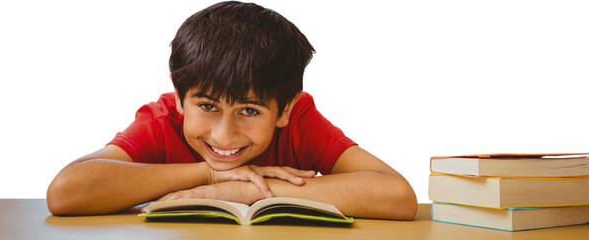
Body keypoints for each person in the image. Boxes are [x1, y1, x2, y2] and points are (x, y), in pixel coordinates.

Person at [47, 1, 417, 220]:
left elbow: (396, 196)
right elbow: (66, 193)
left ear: (285, 108)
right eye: (207, 106)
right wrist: (207, 176)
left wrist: (249, 191)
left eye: (250, 111)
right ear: (178, 98)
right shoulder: (162, 120)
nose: (223, 135)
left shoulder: (299, 120)